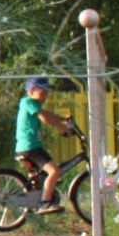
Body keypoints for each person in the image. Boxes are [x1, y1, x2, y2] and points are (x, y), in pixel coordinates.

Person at [15, 75, 74, 212]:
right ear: (31, 91)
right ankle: (45, 204)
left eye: (47, 93)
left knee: (38, 179)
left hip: (25, 147)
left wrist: (63, 119)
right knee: (54, 171)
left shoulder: (29, 104)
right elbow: (45, 118)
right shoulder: (30, 102)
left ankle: (35, 199)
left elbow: (47, 113)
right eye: (42, 92)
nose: (45, 96)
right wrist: (65, 128)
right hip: (31, 147)